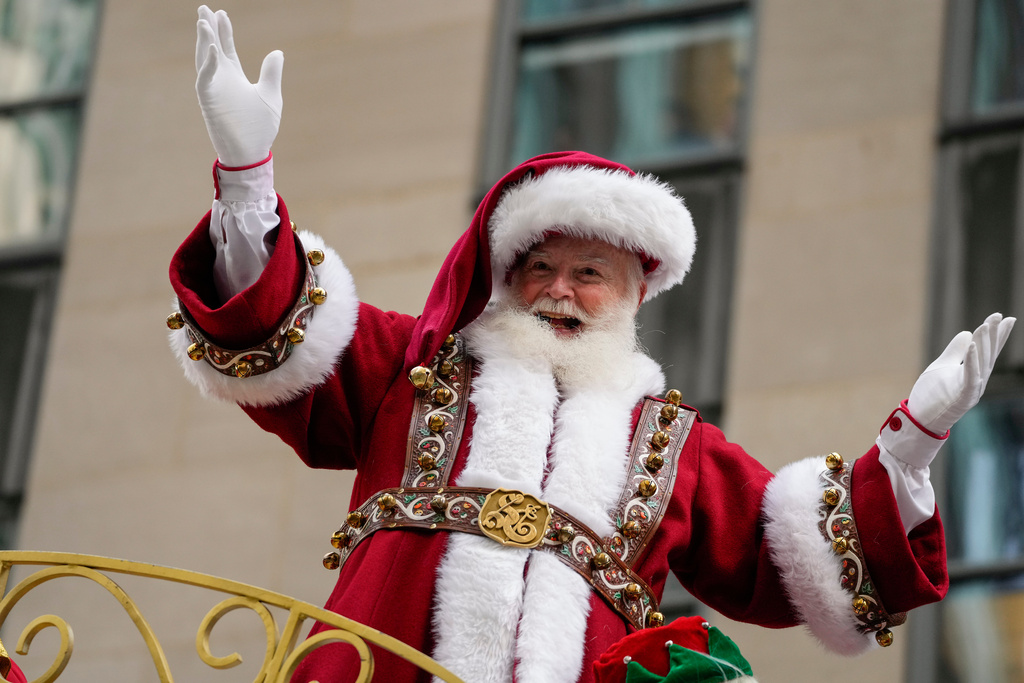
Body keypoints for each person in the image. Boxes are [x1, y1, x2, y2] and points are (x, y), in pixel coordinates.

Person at [167, 7, 1013, 683]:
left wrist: (910, 446)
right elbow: (276, 331)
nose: (559, 290)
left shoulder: (671, 441)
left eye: (588, 272)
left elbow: (786, 553)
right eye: (539, 266)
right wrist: (248, 182)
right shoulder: (416, 368)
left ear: (633, 294)